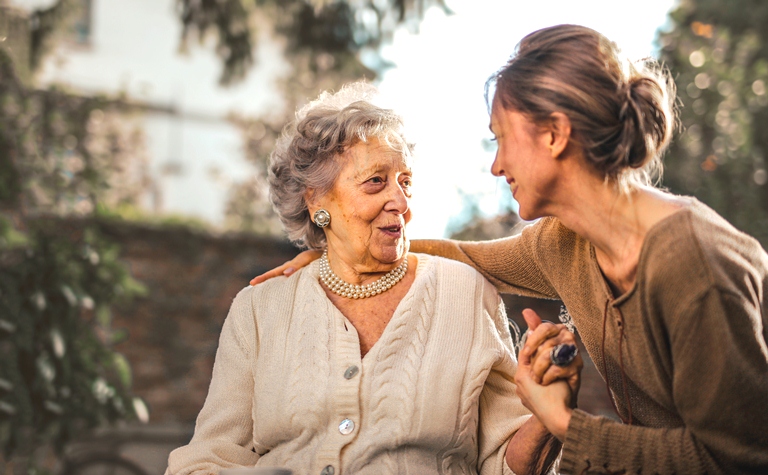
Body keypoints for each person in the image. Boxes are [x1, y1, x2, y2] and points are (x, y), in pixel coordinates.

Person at [251, 26, 768, 474]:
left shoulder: (692, 263)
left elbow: (737, 459)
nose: (497, 166)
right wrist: (340, 253)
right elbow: (465, 256)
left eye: (501, 139)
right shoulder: (565, 243)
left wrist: (562, 421)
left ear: (555, 134)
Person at [166, 83, 568, 475]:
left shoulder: (466, 293)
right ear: (316, 199)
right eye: (376, 181)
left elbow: (506, 465)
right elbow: (208, 459)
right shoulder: (259, 309)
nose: (401, 202)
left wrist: (547, 417)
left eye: (405, 182)